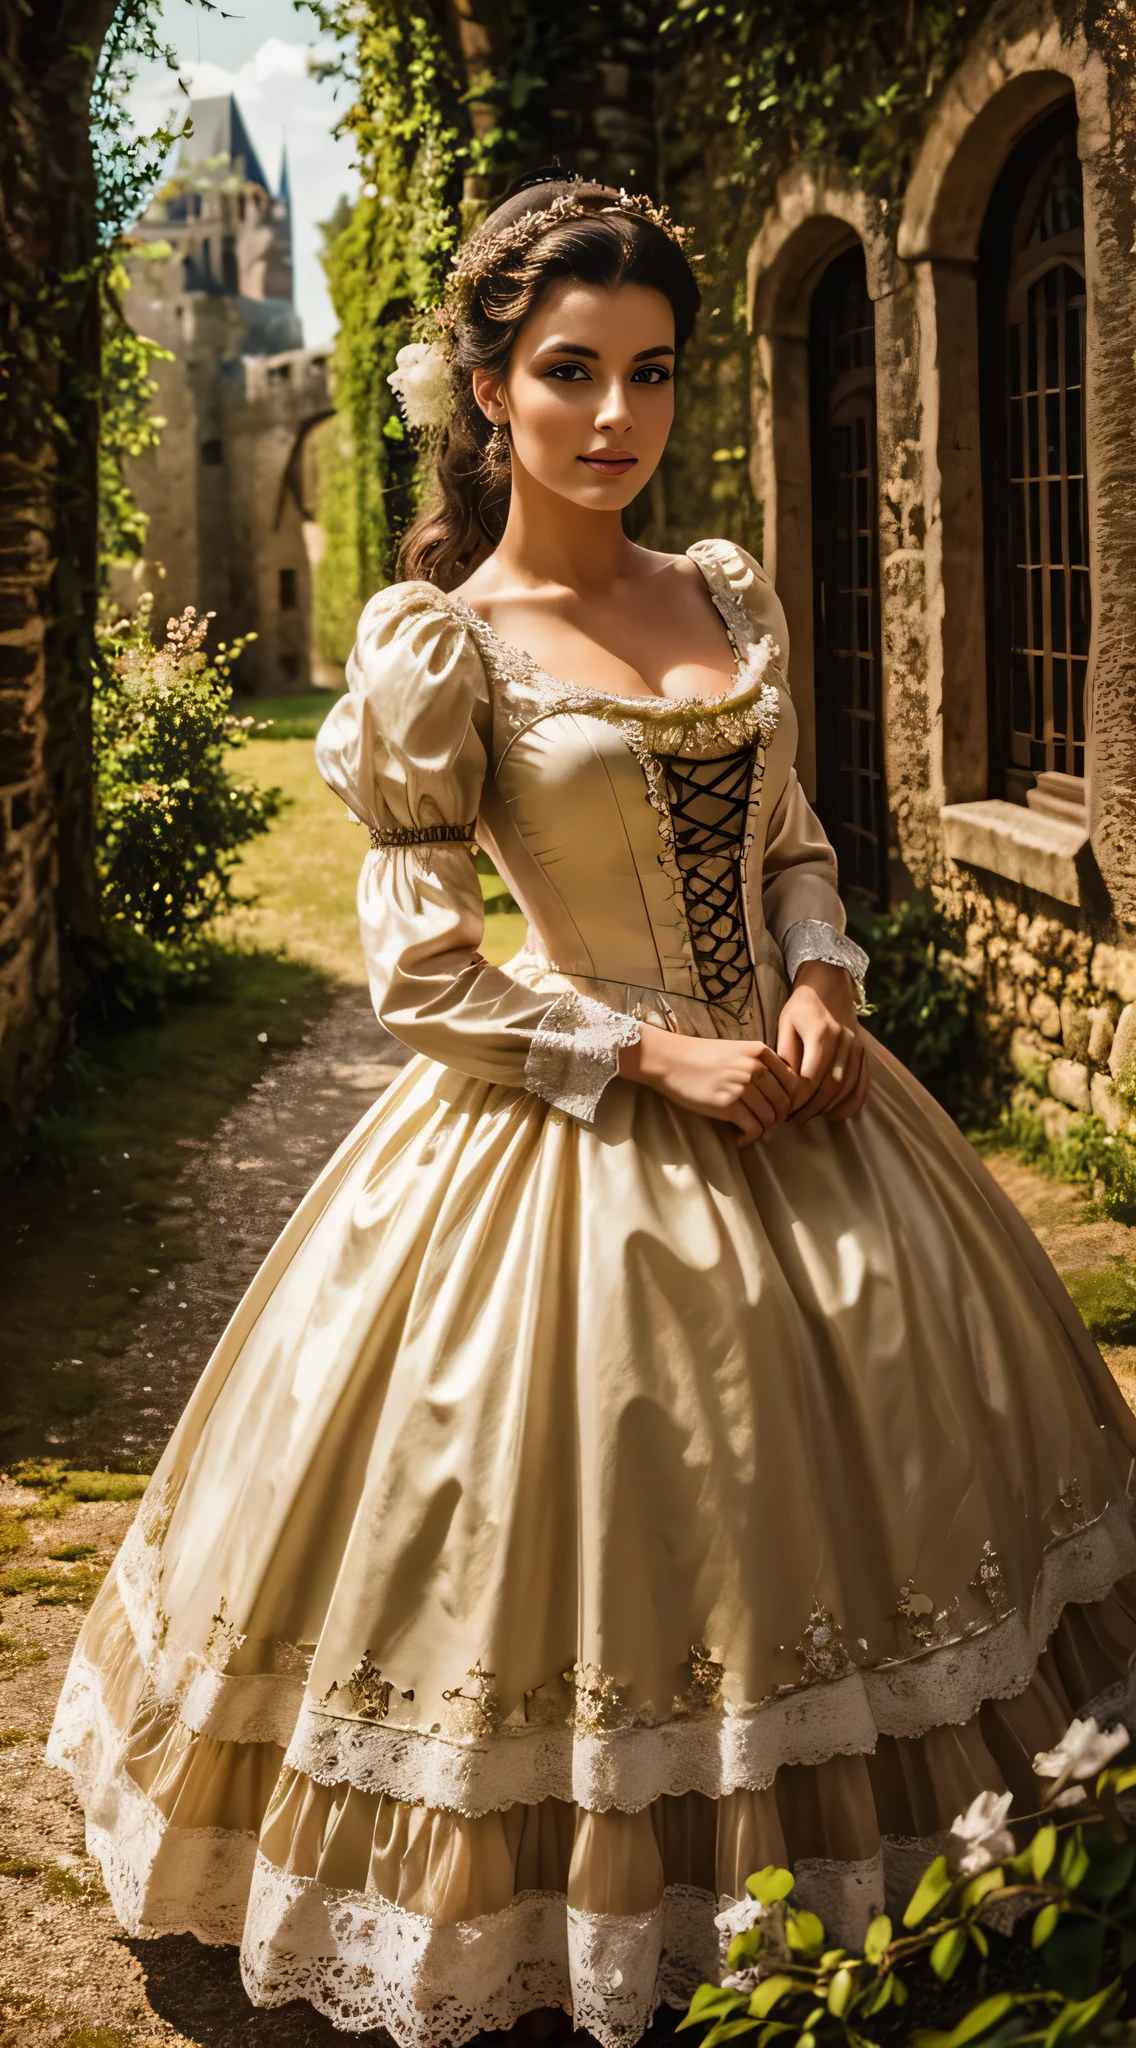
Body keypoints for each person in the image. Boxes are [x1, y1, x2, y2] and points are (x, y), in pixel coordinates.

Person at [50, 175, 1136, 2048]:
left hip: (815, 1106)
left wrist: (812, 982)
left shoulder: (720, 586)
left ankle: (917, 1878)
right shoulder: (440, 645)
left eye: (649, 372)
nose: (616, 417)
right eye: (570, 372)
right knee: (603, 1520)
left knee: (902, 1483)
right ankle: (582, 1912)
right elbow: (421, 968)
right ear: (489, 391)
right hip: (568, 1133)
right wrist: (649, 1055)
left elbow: (793, 839)